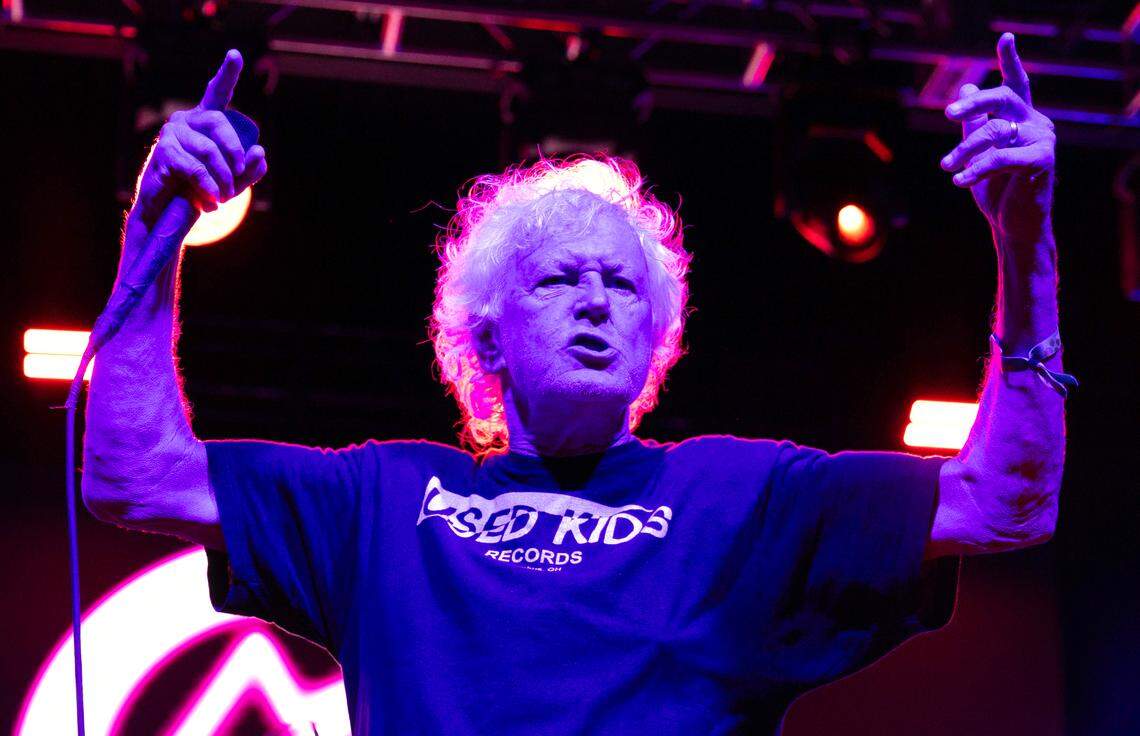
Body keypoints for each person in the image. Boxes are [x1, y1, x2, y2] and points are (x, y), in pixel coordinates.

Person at [82, 32, 1070, 735]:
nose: (596, 299)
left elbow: (1005, 499)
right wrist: (154, 229)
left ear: (658, 338)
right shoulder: (381, 501)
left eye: (623, 284)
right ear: (486, 335)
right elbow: (132, 473)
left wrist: (1023, 245)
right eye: (558, 277)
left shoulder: (742, 497)